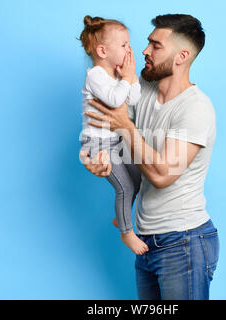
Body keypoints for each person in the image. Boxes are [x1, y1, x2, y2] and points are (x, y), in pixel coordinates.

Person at [80, 14, 220, 300]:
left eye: (155, 46)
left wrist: (125, 126)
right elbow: (110, 134)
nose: (144, 51)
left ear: (182, 56)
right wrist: (93, 159)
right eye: (147, 43)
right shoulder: (139, 91)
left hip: (184, 242)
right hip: (147, 240)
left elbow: (162, 175)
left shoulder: (196, 109)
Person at [78, 15, 149, 255]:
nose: (130, 50)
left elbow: (134, 99)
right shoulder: (95, 75)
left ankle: (121, 218)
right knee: (125, 188)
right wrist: (127, 79)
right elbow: (115, 99)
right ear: (102, 51)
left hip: (116, 139)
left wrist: (130, 78)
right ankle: (126, 233)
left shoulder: (119, 76)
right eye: (124, 45)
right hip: (98, 144)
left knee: (138, 179)